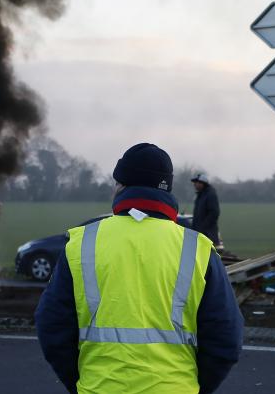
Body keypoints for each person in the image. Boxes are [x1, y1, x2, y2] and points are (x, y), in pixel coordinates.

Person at [35, 143, 242, 394]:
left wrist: (81, 382)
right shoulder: (197, 249)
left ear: (121, 186)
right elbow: (226, 337)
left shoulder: (82, 244)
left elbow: (52, 326)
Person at [191, 173, 221, 250]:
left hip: (208, 235)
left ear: (202, 183)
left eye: (196, 182)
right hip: (201, 234)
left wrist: (202, 228)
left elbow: (214, 213)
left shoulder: (210, 194)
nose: (194, 184)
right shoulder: (201, 194)